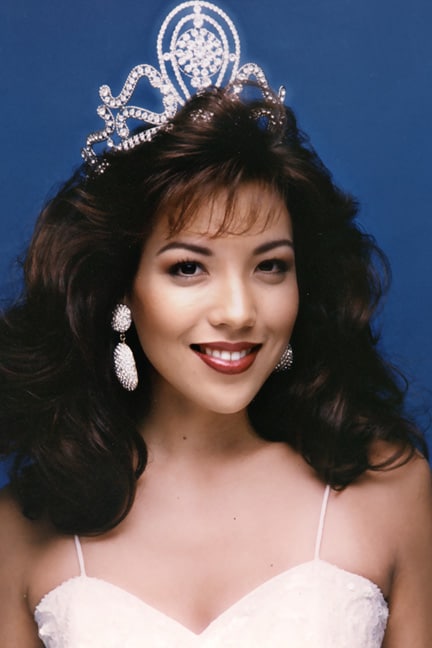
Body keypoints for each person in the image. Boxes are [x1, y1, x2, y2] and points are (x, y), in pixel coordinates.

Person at [0, 2, 431, 646]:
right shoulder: (20, 529)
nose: (238, 311)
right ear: (121, 288)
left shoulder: (392, 491)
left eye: (270, 266)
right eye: (188, 268)